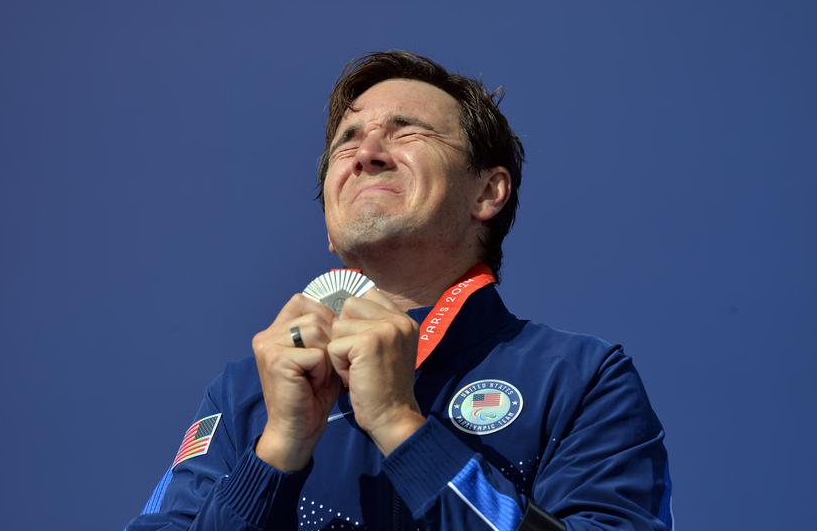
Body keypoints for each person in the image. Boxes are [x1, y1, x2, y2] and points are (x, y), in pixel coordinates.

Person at [125, 51, 672, 530]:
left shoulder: (579, 377)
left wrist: (400, 425)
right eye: (347, 141)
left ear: (487, 191)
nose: (367, 153)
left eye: (406, 131)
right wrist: (275, 453)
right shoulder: (244, 395)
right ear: (331, 227)